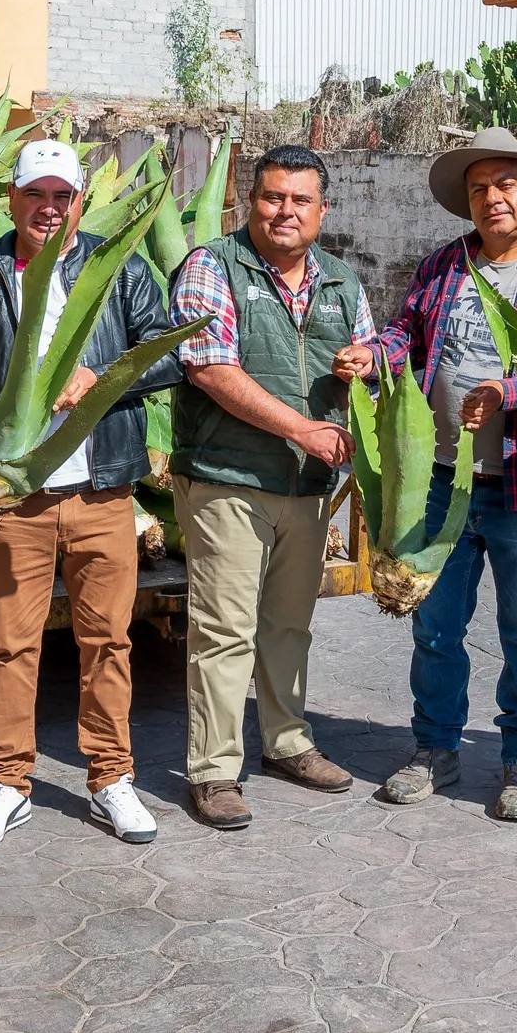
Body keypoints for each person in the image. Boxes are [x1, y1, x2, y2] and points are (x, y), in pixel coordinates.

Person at [335, 127, 517, 822]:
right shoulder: (443, 265)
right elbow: (407, 335)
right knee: (436, 628)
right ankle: (434, 750)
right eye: (479, 187)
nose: (492, 197)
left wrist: (510, 395)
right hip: (439, 478)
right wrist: (374, 355)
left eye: (506, 183)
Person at [0, 140, 182, 850]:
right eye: (35, 194)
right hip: (16, 494)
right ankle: (6, 782)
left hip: (101, 488)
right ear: (11, 199)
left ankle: (110, 778)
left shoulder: (118, 268)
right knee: (10, 644)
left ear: (79, 202)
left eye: (62, 196)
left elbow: (167, 353)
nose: (49, 208)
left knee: (109, 640)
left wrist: (99, 376)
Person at [169, 144, 377, 829]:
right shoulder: (212, 266)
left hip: (308, 485)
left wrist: (366, 363)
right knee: (223, 629)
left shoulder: (343, 283)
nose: (284, 211)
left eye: (299, 200)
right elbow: (210, 368)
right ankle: (213, 769)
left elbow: (370, 359)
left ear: (322, 210)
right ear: (248, 200)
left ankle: (287, 740)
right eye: (271, 197)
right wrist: (302, 429)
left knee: (289, 623)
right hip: (229, 476)